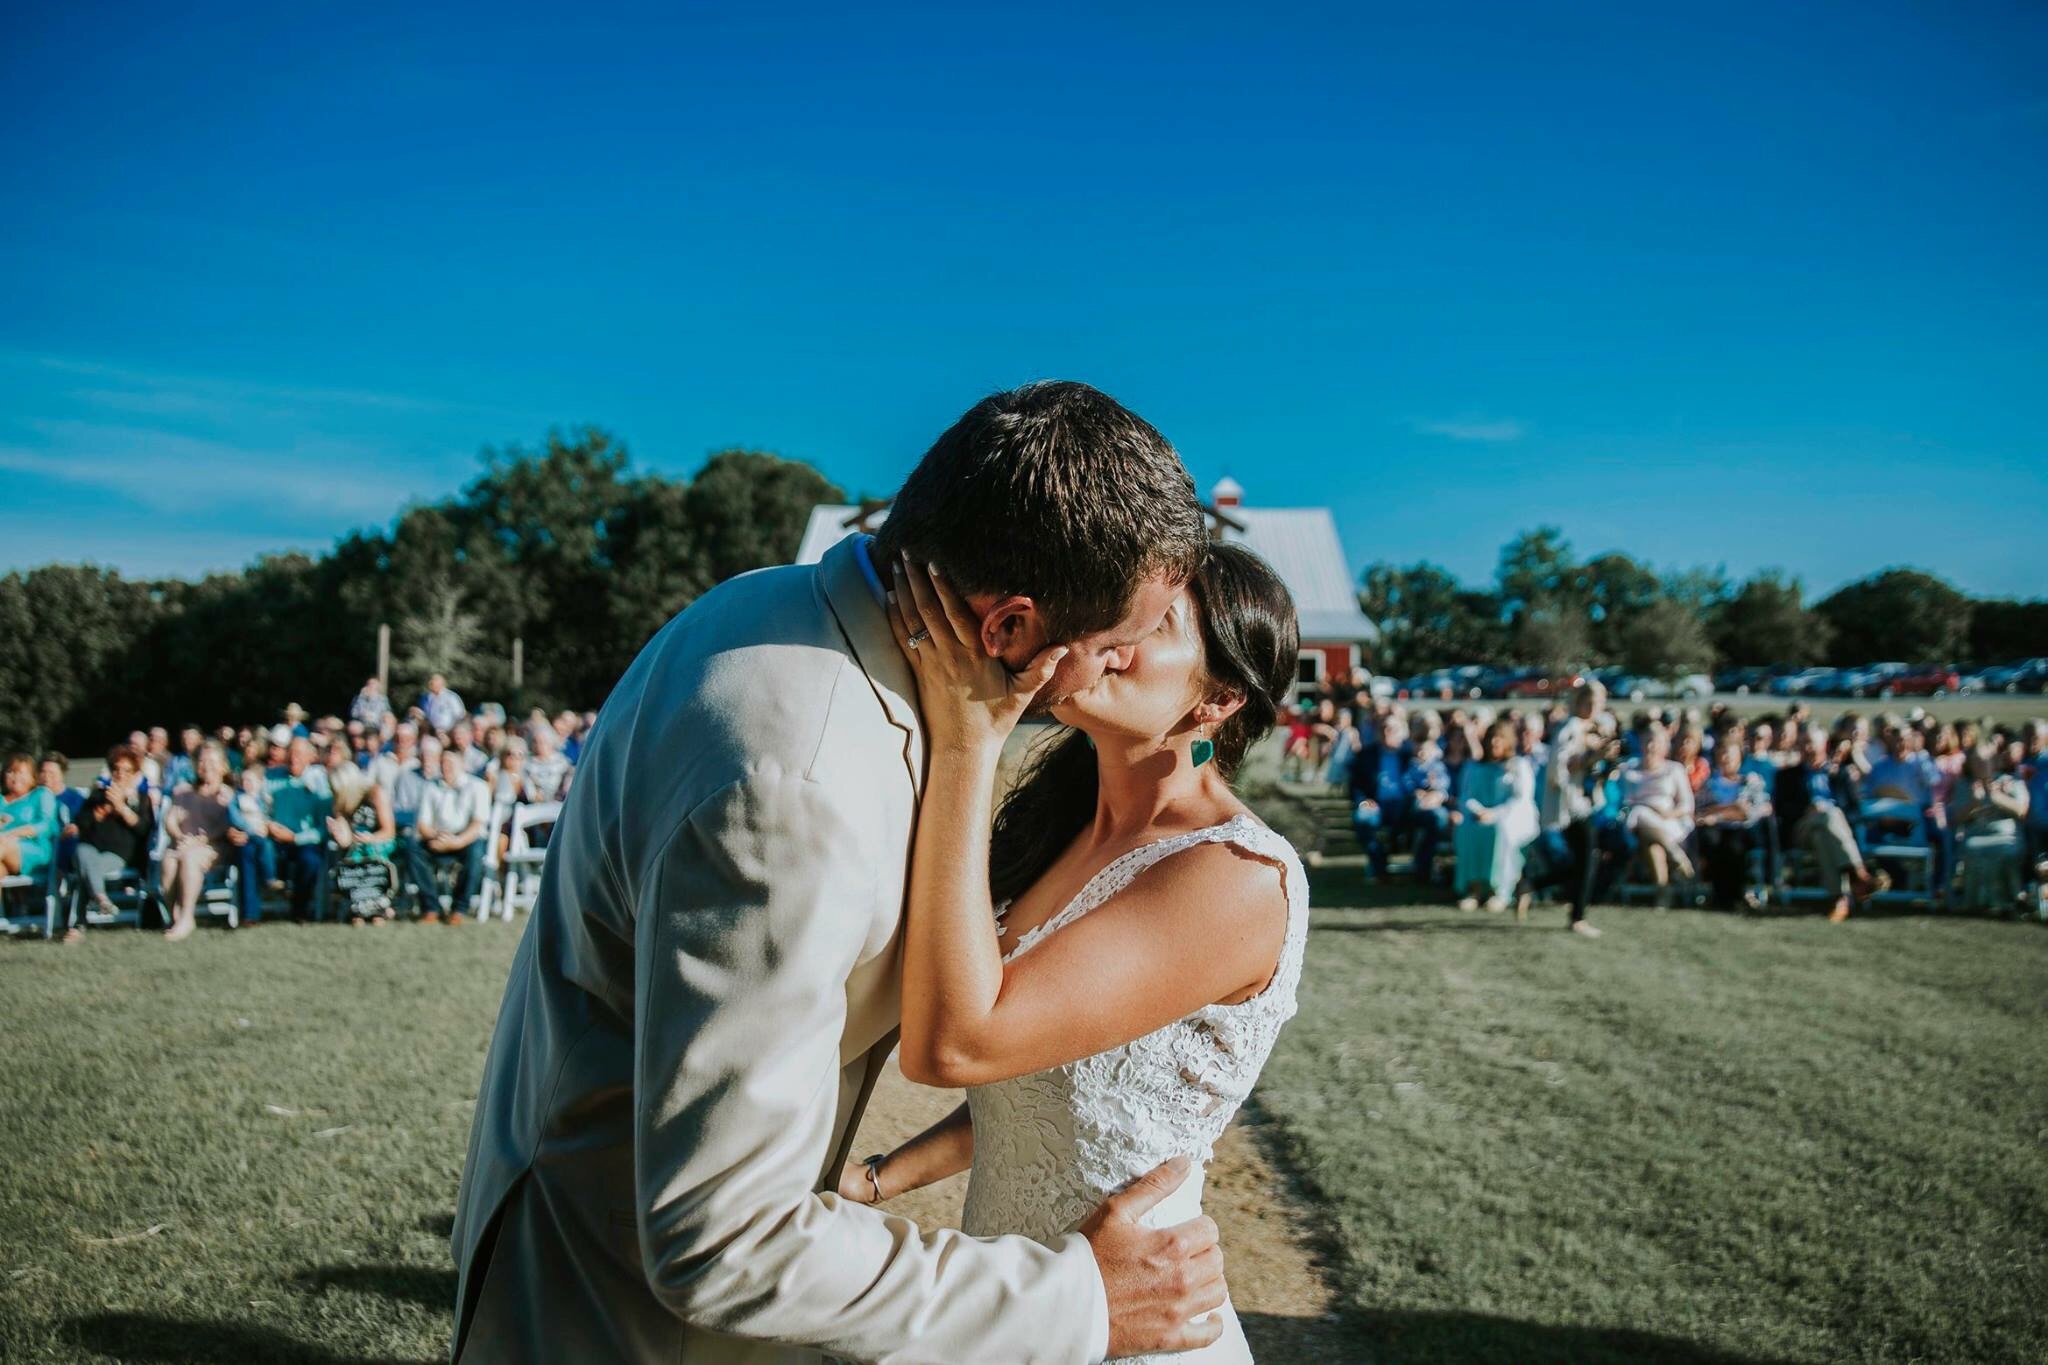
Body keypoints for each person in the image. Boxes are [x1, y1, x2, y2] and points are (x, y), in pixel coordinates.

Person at [450, 381, 1224, 1365]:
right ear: (1009, 633)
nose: (1111, 671)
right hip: (623, 1320)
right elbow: (720, 1237)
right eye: (1110, 647)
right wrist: (1071, 1302)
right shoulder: (795, 794)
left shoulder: (768, 606)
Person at [849, 541, 1299, 1365]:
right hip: (1025, 1302)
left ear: (1220, 698)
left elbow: (957, 1044)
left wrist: (966, 738)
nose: (1108, 634)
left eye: (1151, 622)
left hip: (1136, 1321)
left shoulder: (1232, 876)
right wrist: (877, 1179)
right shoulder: (1064, 833)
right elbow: (1044, 1093)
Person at [1774, 725, 1883, 923]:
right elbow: (1781, 810)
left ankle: (1839, 900)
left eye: (1812, 743)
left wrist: (1830, 810)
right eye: (1804, 743)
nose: (1808, 748)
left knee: (1825, 828)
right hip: (1801, 829)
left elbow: (1855, 813)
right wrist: (1806, 810)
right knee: (1827, 817)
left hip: (1830, 833)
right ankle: (1858, 874)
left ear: (1823, 745)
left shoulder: (1841, 775)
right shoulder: (1787, 776)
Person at [1532, 679, 1611, 938]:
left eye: (1598, 703)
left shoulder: (1597, 728)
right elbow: (1562, 767)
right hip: (1571, 802)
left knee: (1583, 860)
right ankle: (1577, 917)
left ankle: (1531, 885)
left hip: (1585, 800)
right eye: (1589, 702)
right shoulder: (1570, 727)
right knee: (1588, 857)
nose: (1593, 707)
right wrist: (1594, 756)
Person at [63, 745, 153, 941]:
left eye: (127, 770)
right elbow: (81, 823)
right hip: (91, 847)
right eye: (117, 769)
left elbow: (144, 829)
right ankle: (101, 898)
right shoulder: (98, 795)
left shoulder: (142, 800)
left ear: (135, 773)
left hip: (119, 853)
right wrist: (100, 811)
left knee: (84, 872)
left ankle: (77, 926)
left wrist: (121, 808)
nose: (121, 774)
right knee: (82, 853)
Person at [1454, 718, 1536, 911]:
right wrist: (1478, 811)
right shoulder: (1474, 767)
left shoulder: (1519, 766)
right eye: (1491, 738)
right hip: (1479, 817)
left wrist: (1495, 814)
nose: (1494, 742)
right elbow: (1467, 796)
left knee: (1500, 832)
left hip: (1512, 819)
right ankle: (1473, 888)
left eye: (1499, 738)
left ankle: (1498, 891)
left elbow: (1520, 799)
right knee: (1466, 830)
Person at [160, 743, 237, 941]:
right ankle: (174, 916)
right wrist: (179, 836)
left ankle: (187, 917)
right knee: (169, 860)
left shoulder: (227, 794)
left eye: (212, 761)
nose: (206, 766)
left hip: (214, 846)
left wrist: (202, 839)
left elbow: (228, 826)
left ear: (223, 766)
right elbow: (170, 820)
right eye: (201, 761)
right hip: (184, 843)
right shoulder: (183, 792)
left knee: (190, 858)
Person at [253, 736, 331, 924]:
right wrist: (268, 824)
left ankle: (300, 911)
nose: (294, 758)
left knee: (310, 860)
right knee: (251, 848)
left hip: (304, 841)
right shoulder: (271, 777)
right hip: (274, 837)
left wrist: (296, 837)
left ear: (310, 757)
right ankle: (251, 913)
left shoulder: (319, 781)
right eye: (291, 753)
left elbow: (324, 827)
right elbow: (260, 808)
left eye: (299, 754)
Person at [1614, 723, 1696, 898]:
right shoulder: (1627, 769)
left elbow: (1687, 805)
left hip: (1667, 822)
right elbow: (1622, 802)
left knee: (1653, 845)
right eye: (1647, 741)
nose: (1650, 746)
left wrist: (1668, 814)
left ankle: (1662, 891)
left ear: (1665, 745)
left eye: (1655, 742)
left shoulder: (1674, 769)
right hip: (1634, 824)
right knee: (1639, 812)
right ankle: (1676, 859)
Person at [410, 747, 491, 923]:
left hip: (467, 838)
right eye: (443, 762)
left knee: (476, 853)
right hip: (439, 837)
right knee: (412, 848)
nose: (446, 767)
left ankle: (459, 908)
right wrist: (435, 837)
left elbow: (478, 824)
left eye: (451, 762)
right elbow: (422, 824)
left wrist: (456, 842)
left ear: (462, 764)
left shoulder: (478, 786)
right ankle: (431, 907)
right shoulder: (430, 786)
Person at [1948, 744, 2029, 914]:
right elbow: (1957, 818)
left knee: (2007, 852)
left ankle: (2007, 901)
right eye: (1976, 761)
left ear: (1994, 762)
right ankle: (1976, 902)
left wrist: (1997, 797)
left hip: (2006, 835)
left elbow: (2022, 810)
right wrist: (1974, 802)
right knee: (1972, 849)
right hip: (1977, 835)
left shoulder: (2010, 781)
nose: (1981, 765)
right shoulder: (1964, 785)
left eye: (1985, 761)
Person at [1694, 736, 1772, 910]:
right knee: (1711, 841)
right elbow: (1700, 811)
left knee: (1734, 846)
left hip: (1743, 830)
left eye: (1729, 754)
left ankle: (1735, 895)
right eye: (1721, 754)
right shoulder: (1710, 782)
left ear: (1740, 757)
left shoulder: (1750, 780)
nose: (1725, 758)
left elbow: (1751, 812)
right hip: (1714, 830)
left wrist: (1718, 812)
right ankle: (1719, 896)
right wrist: (1731, 809)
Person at [326, 764, 397, 926]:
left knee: (370, 852)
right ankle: (359, 908)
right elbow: (345, 841)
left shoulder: (375, 793)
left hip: (380, 842)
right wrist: (337, 833)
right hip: (356, 845)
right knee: (353, 856)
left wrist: (370, 838)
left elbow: (389, 831)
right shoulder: (340, 803)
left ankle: (378, 907)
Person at [1348, 713, 1413, 881]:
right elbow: (1355, 785)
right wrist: (1363, 801)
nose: (1387, 732)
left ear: (1402, 731)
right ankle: (1379, 865)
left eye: (1392, 728)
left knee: (1434, 818)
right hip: (1376, 804)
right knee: (1362, 818)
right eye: (1383, 728)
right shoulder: (1366, 755)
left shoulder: (1410, 755)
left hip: (1405, 804)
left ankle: (1423, 870)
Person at [0, 752, 59, 885]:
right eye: (10, 772)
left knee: (2, 843)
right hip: (4, 853)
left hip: (34, 850)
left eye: (21, 772)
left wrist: (10, 835)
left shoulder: (41, 794)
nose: (15, 777)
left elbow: (46, 825)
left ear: (33, 777)